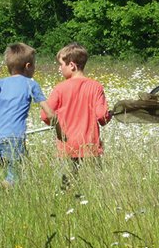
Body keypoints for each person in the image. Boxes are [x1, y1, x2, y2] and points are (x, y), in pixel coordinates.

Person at [0, 42, 55, 188]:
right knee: (16, 178)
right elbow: (49, 112)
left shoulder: (0, 82)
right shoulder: (31, 84)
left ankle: (2, 195)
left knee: (11, 171)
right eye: (34, 65)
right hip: (14, 138)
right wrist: (57, 123)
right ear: (28, 66)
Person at [40, 42, 112, 188]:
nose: (59, 68)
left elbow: (45, 116)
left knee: (66, 187)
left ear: (71, 65)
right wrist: (109, 115)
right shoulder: (96, 87)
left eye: (61, 64)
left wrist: (58, 124)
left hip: (67, 148)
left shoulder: (60, 88)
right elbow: (102, 117)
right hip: (90, 147)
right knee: (93, 188)